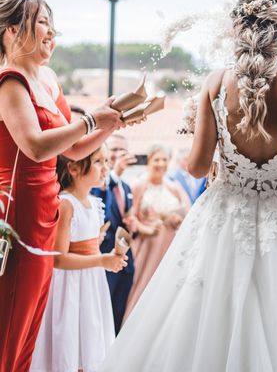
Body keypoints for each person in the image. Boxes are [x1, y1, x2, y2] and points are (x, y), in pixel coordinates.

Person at [100, 0, 277, 371]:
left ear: (239, 32)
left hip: (225, 219)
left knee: (208, 317)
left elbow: (196, 167)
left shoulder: (216, 83)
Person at [0, 0, 122, 372]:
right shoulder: (10, 82)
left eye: (53, 27)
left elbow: (73, 148)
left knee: (31, 323)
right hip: (18, 214)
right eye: (42, 25)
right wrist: (89, 119)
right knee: (12, 323)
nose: (51, 35)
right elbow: (36, 148)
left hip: (46, 213)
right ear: (10, 32)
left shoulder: (49, 79)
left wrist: (109, 124)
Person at [30, 146, 127, 372]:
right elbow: (59, 259)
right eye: (98, 162)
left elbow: (84, 244)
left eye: (106, 161)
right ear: (73, 168)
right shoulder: (66, 204)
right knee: (70, 345)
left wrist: (102, 250)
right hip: (69, 287)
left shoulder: (94, 203)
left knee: (90, 344)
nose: (106, 168)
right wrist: (102, 261)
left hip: (91, 284)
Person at [122, 144, 190, 319]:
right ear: (149, 161)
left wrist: (176, 220)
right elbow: (129, 217)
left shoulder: (173, 187)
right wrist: (146, 228)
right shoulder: (138, 185)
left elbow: (188, 213)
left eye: (164, 160)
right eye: (156, 159)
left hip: (169, 247)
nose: (161, 164)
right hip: (146, 246)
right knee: (143, 286)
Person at [92, 133, 136, 334]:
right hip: (102, 258)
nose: (118, 155)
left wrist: (132, 223)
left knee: (118, 313)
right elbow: (100, 204)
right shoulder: (98, 183)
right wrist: (114, 173)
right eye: (115, 150)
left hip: (125, 262)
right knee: (100, 315)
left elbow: (123, 218)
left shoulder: (126, 187)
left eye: (122, 150)